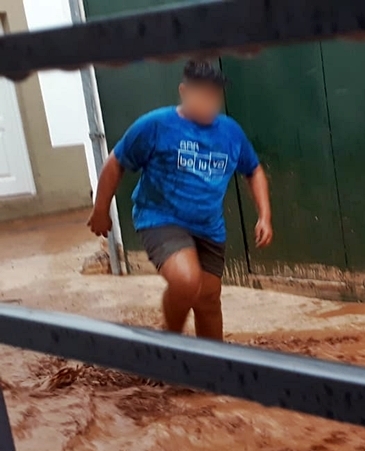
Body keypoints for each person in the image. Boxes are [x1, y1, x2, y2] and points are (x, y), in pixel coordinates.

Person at [87, 60, 273, 341]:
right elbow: (115, 162)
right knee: (187, 282)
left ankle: (211, 367)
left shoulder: (230, 131)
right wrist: (101, 210)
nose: (210, 103)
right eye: (203, 95)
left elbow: (254, 170)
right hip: (160, 218)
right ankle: (171, 346)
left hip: (208, 226)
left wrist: (265, 215)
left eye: (215, 96)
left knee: (208, 300)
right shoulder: (155, 125)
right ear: (184, 92)